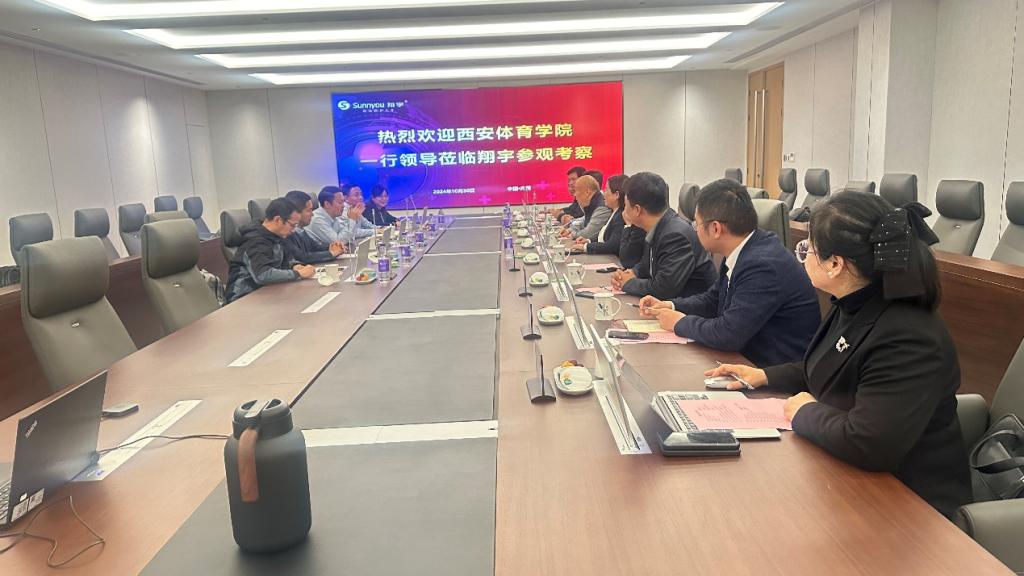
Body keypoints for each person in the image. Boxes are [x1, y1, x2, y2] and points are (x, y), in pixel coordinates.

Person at [705, 192, 971, 518]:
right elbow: (830, 366)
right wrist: (764, 375)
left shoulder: (908, 335)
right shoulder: (854, 302)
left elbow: (870, 443)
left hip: (909, 506)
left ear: (835, 264)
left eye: (808, 249)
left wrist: (805, 412)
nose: (802, 256)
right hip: (845, 477)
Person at [638, 179, 820, 366]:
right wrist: (671, 306)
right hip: (746, 360)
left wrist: (679, 323)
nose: (695, 230)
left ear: (716, 229)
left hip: (771, 371)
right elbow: (713, 300)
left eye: (696, 224)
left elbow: (728, 334)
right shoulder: (743, 249)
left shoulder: (762, 264)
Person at [610, 172, 716, 300]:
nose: (624, 210)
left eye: (626, 205)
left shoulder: (675, 235)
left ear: (637, 210)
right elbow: (647, 264)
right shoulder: (659, 225)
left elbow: (664, 288)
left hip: (687, 307)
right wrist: (632, 273)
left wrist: (627, 283)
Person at [226, 198, 314, 303]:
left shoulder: (275, 236)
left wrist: (294, 265)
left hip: (267, 292)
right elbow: (262, 275)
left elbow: (286, 259)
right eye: (292, 225)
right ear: (278, 220)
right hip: (243, 299)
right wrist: (297, 273)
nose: (293, 230)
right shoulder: (255, 241)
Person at [283, 190, 345, 264]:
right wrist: (332, 253)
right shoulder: (286, 234)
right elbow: (302, 257)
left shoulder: (301, 230)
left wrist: (333, 246)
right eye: (309, 210)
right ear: (295, 212)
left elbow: (315, 247)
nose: (312, 214)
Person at [575, 174, 627, 256]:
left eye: (606, 190)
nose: (604, 193)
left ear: (616, 195)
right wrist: (589, 241)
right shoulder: (615, 212)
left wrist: (586, 247)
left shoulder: (620, 216)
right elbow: (605, 237)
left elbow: (612, 245)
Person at [559, 175, 611, 241]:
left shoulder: (602, 208)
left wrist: (572, 235)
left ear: (587, 192)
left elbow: (589, 233)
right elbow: (582, 222)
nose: (575, 195)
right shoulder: (592, 204)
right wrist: (569, 230)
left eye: (576, 191)